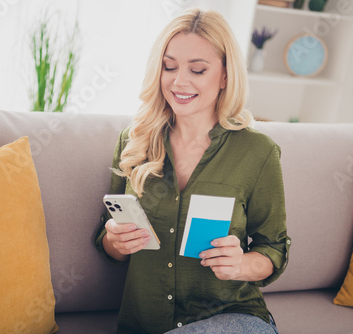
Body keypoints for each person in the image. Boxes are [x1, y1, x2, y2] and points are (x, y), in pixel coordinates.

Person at [95, 8, 290, 334]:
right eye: (169, 67)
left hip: (234, 317)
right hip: (146, 322)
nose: (179, 81)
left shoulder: (258, 153)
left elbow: (274, 247)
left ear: (226, 76)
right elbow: (107, 237)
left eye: (197, 70)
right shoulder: (134, 141)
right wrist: (114, 241)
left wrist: (241, 264)